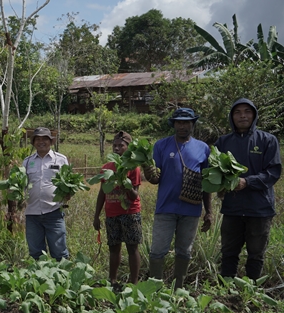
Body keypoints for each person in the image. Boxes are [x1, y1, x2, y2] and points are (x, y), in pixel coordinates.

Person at [143, 108, 213, 289]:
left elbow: (206, 183)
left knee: (184, 251)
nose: (182, 126)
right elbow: (155, 178)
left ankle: (178, 289)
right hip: (165, 208)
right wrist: (148, 173)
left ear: (193, 124)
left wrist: (209, 212)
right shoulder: (161, 146)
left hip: (191, 209)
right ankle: (155, 289)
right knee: (157, 250)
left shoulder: (203, 148)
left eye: (186, 122)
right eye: (179, 122)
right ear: (173, 124)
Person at [214, 98, 281, 281]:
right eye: (237, 112)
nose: (242, 115)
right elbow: (214, 171)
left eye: (247, 111)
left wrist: (247, 182)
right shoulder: (223, 143)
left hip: (259, 209)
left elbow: (273, 172)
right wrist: (219, 186)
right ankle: (226, 291)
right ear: (231, 116)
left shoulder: (268, 140)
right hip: (232, 208)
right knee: (228, 251)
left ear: (254, 115)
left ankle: (251, 293)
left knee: (256, 254)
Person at [93, 131, 142, 286]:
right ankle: (112, 281)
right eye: (114, 145)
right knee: (113, 248)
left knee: (132, 248)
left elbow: (134, 195)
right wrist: (96, 216)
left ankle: (134, 283)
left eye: (121, 145)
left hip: (130, 213)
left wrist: (124, 182)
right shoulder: (106, 168)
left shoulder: (133, 167)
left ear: (128, 148)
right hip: (112, 213)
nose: (117, 148)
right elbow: (102, 192)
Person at [23, 127, 70, 261]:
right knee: (35, 253)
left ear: (51, 141)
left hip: (54, 211)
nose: (41, 142)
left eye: (44, 139)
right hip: (32, 213)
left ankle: (62, 279)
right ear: (33, 142)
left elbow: (68, 182)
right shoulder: (27, 162)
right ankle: (39, 279)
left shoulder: (60, 160)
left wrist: (68, 194)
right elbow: (22, 183)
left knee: (59, 252)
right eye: (37, 139)